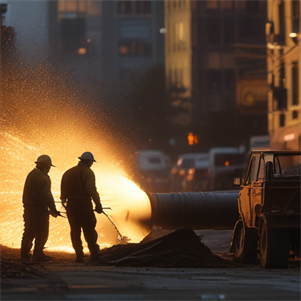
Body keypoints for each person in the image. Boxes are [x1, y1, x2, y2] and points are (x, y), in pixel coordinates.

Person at [60, 152, 103, 263]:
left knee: (75, 231)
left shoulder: (68, 173)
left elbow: (63, 193)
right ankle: (94, 253)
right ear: (88, 161)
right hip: (84, 205)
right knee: (89, 229)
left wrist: (64, 201)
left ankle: (79, 255)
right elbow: (91, 190)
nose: (92, 164)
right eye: (91, 162)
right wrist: (98, 205)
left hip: (71, 206)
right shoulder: (88, 173)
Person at [21, 155, 59, 261]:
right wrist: (53, 209)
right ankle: (38, 254)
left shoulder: (31, 174)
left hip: (29, 208)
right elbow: (46, 195)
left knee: (29, 231)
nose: (49, 169)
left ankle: (24, 253)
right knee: (42, 232)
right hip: (39, 209)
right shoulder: (43, 177)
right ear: (46, 166)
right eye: (49, 167)